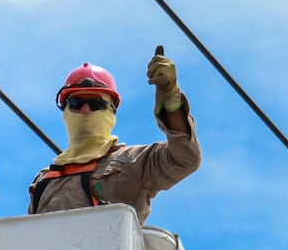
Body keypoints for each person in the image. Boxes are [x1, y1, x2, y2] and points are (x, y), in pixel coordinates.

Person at [27, 48, 202, 224]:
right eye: (76, 103)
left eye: (96, 103)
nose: (86, 110)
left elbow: (185, 159)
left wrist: (170, 93)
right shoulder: (44, 181)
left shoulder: (134, 162)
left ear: (112, 113)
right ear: (64, 111)